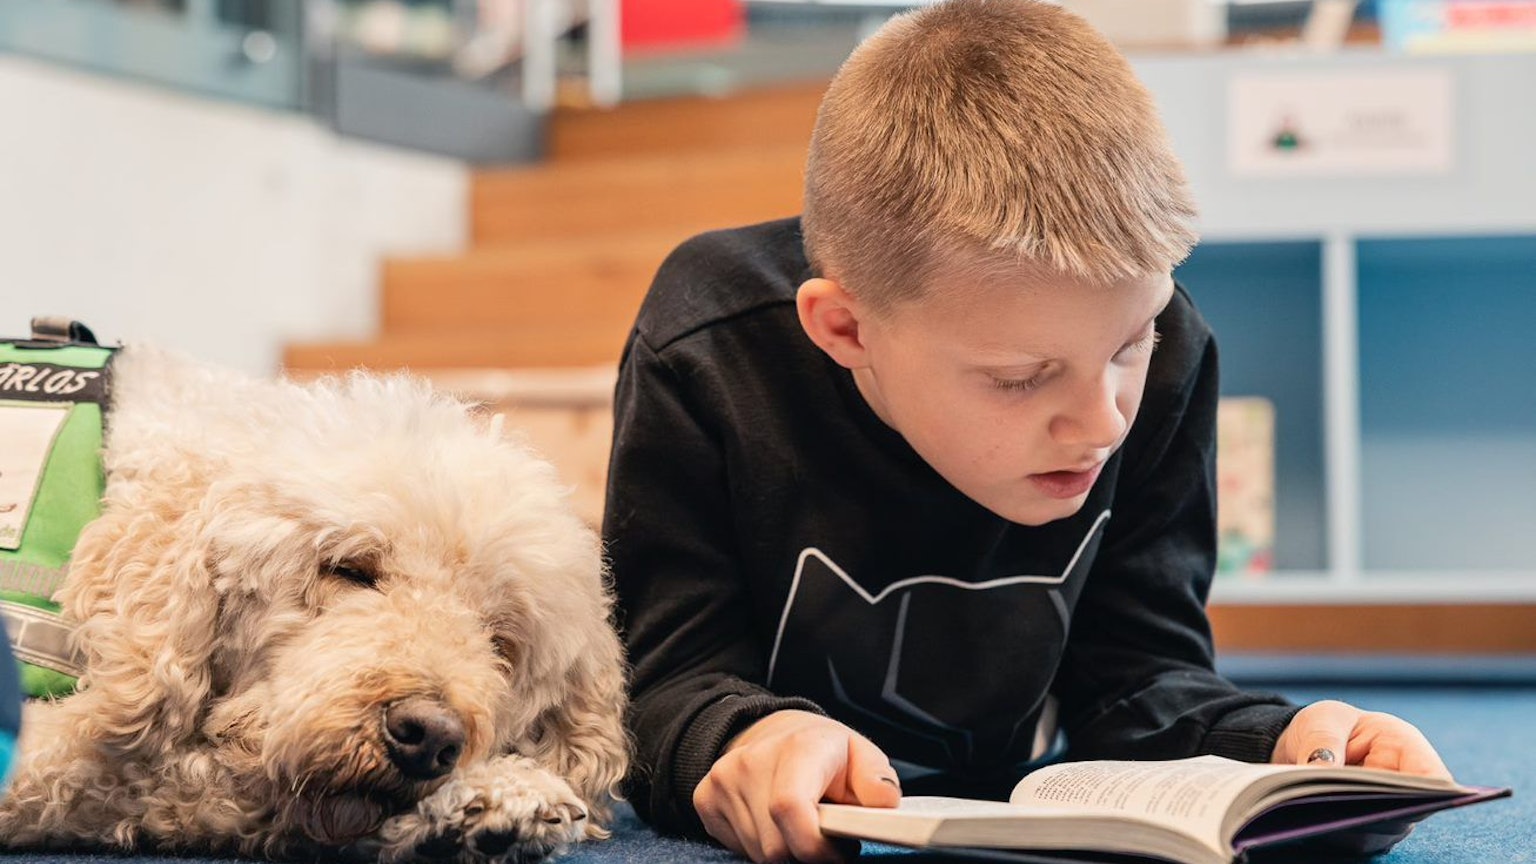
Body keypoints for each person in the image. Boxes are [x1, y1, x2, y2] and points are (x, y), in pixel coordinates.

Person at [602, 2, 1451, 862]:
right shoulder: (709, 350)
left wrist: (1287, 742)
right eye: (1021, 378)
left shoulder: (1173, 352)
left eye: (1131, 345)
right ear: (847, 331)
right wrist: (746, 740)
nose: (1105, 420)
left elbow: (1140, 680)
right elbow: (662, 682)